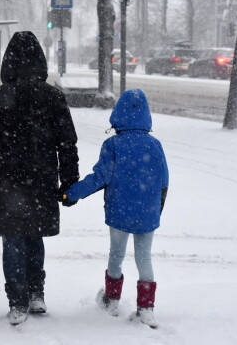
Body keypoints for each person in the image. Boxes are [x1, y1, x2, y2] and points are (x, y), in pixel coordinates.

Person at [0, 31, 79, 325]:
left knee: (13, 240)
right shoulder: (53, 96)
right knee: (35, 236)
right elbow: (67, 143)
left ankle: (17, 299)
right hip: (41, 178)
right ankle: (36, 293)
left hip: (7, 180)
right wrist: (69, 182)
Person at [64, 88, 169, 329]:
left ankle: (111, 300)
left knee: (117, 254)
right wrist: (156, 211)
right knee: (144, 258)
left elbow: (100, 177)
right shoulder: (155, 145)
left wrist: (71, 193)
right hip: (147, 213)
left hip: (119, 211)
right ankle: (146, 308)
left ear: (118, 114)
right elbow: (163, 181)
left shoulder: (113, 144)